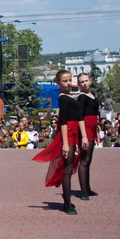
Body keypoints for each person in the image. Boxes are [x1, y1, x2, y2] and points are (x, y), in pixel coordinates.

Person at [33, 70, 87, 215]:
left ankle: (67, 197)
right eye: (65, 81)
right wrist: (65, 143)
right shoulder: (63, 98)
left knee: (69, 168)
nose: (68, 83)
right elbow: (63, 121)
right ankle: (67, 203)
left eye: (70, 80)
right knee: (67, 169)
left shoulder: (69, 96)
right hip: (68, 133)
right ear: (57, 83)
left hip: (73, 134)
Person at [76, 73, 100, 200]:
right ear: (78, 84)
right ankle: (84, 191)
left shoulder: (92, 96)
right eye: (81, 82)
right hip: (86, 130)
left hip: (92, 128)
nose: (84, 83)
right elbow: (79, 116)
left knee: (88, 160)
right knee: (84, 160)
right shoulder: (82, 97)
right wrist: (84, 136)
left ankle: (88, 188)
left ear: (90, 81)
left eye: (86, 81)